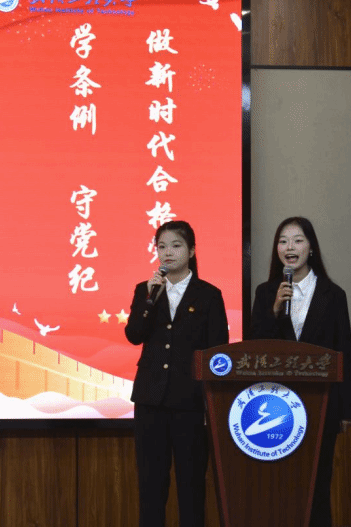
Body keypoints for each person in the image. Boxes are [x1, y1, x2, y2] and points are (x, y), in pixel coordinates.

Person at [249, 216, 351, 527]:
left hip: (321, 401)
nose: (290, 247)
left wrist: (347, 409)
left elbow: (343, 350)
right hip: (276, 405)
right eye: (283, 241)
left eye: (298, 240)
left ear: (311, 248)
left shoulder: (332, 294)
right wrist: (274, 310)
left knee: (317, 482)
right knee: (280, 482)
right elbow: (254, 347)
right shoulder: (266, 292)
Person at [125, 220, 229, 527]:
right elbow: (134, 335)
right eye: (161, 246)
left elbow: (217, 353)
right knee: (151, 485)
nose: (167, 252)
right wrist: (149, 300)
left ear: (192, 251)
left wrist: (212, 403)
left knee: (191, 485)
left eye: (176, 245)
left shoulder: (209, 295)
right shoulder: (146, 290)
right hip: (150, 401)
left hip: (190, 404)